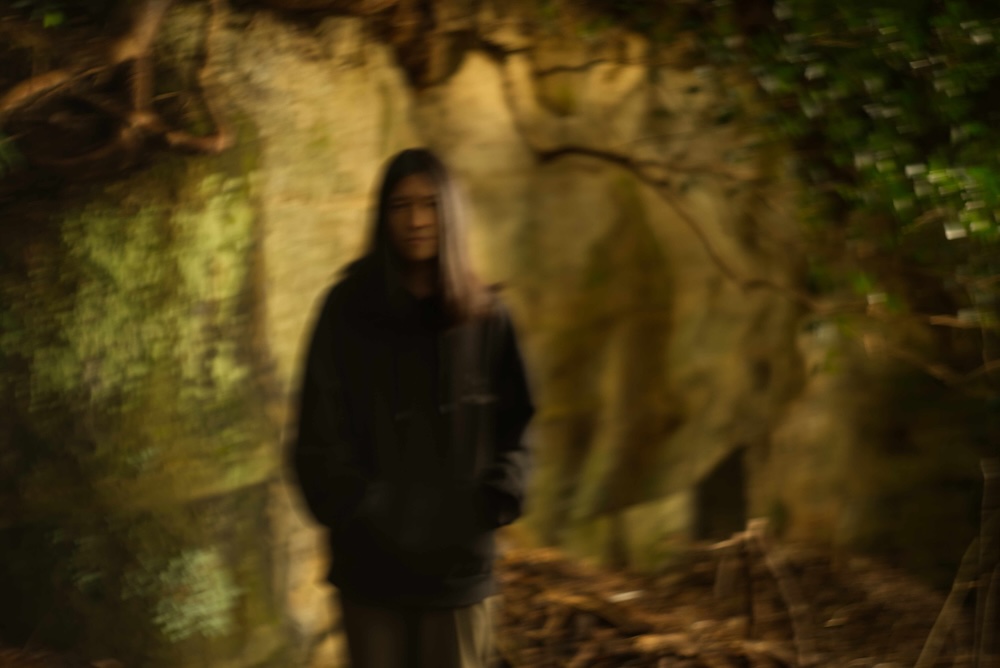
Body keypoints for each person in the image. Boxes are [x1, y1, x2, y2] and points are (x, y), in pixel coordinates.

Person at [289, 148, 535, 668]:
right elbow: (316, 432)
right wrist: (363, 510)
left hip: (459, 569)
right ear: (383, 216)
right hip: (371, 566)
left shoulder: (487, 316)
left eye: (430, 204)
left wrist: (489, 503)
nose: (417, 220)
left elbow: (520, 427)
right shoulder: (346, 311)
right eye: (401, 206)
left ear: (452, 212)